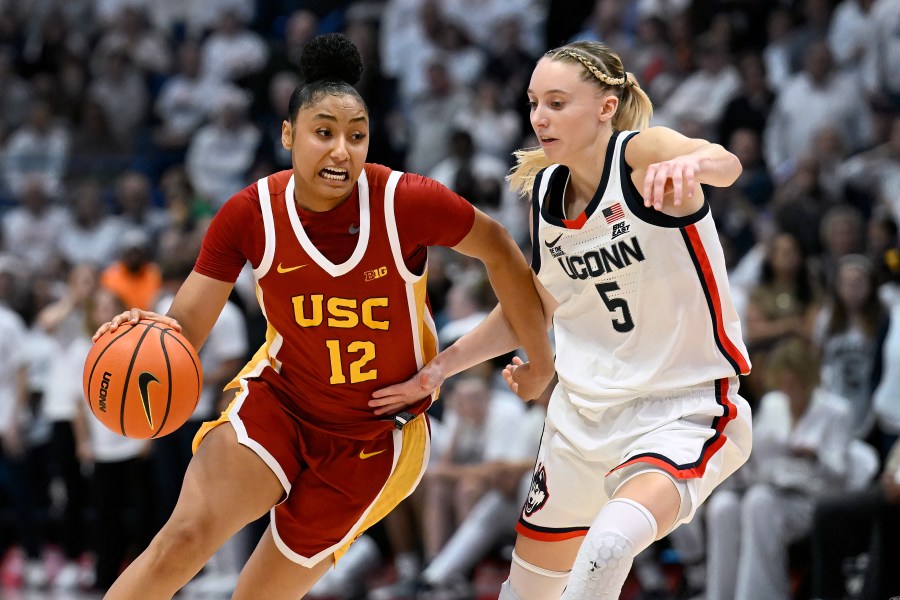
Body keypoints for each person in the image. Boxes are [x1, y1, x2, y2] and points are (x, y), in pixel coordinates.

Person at [91, 33, 554, 600]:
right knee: (182, 539)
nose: (342, 150)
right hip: (281, 401)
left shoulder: (405, 202)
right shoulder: (248, 213)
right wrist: (141, 333)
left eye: (356, 136)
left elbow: (503, 251)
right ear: (289, 135)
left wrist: (539, 360)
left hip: (375, 436)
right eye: (324, 133)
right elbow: (184, 328)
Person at [372, 40, 753, 600]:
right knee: (524, 593)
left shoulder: (643, 153)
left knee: (607, 547)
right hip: (578, 420)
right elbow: (534, 306)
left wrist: (692, 162)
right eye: (533, 104)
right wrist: (436, 371)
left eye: (556, 102)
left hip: (678, 408)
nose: (539, 118)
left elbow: (727, 162)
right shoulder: (546, 189)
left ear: (604, 106)